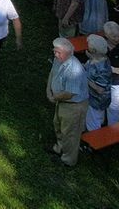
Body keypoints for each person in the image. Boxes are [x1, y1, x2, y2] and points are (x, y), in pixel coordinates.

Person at [47, 36, 90, 167]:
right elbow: (52, 74)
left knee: (70, 134)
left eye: (58, 52)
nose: (55, 54)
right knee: (58, 125)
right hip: (62, 102)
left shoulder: (73, 69)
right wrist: (48, 90)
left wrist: (54, 98)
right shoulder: (58, 59)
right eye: (55, 51)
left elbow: (69, 94)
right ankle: (59, 148)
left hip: (74, 106)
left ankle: (68, 160)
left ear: (68, 53)